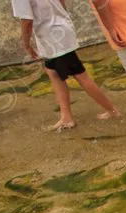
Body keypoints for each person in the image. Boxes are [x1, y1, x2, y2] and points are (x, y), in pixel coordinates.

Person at [12, 0, 120, 132]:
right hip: (59, 31)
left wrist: (26, 45)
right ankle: (66, 117)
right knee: (53, 73)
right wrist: (62, 17)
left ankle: (112, 110)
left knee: (80, 75)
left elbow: (27, 20)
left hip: (52, 36)